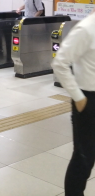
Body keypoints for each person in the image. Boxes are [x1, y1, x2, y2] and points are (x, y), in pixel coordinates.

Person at [52, 11, 95, 196]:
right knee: (83, 158)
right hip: (88, 100)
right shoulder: (85, 29)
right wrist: (79, 97)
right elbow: (60, 63)